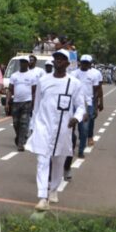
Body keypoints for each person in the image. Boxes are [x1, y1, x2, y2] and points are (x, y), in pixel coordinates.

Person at [28, 50, 87, 209]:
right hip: (43, 126)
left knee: (58, 161)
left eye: (62, 60)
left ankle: (53, 189)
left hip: (63, 128)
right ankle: (42, 196)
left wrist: (76, 117)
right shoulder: (43, 81)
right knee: (42, 160)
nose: (58, 62)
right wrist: (33, 126)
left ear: (68, 64)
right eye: (56, 59)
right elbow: (37, 105)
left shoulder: (74, 83)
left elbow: (81, 106)